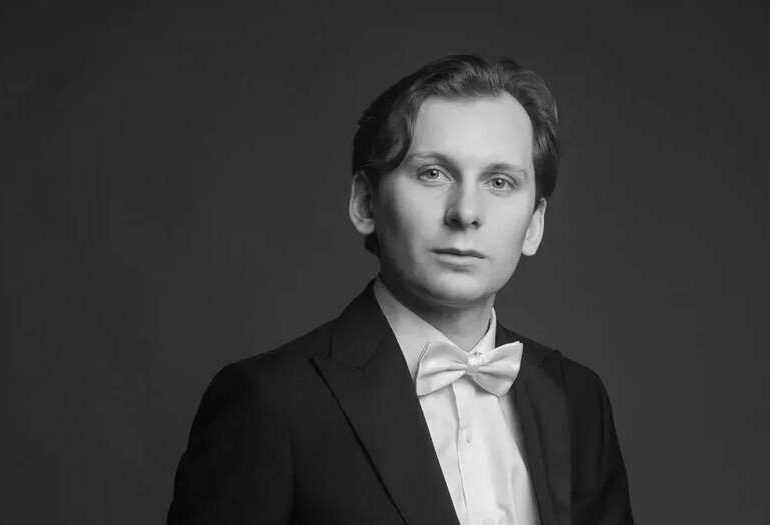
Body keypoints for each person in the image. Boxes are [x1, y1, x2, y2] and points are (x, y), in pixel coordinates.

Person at [168, 54, 634, 525]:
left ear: (534, 224)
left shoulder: (577, 398)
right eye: (433, 173)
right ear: (365, 202)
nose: (466, 212)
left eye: (499, 181)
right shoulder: (269, 401)